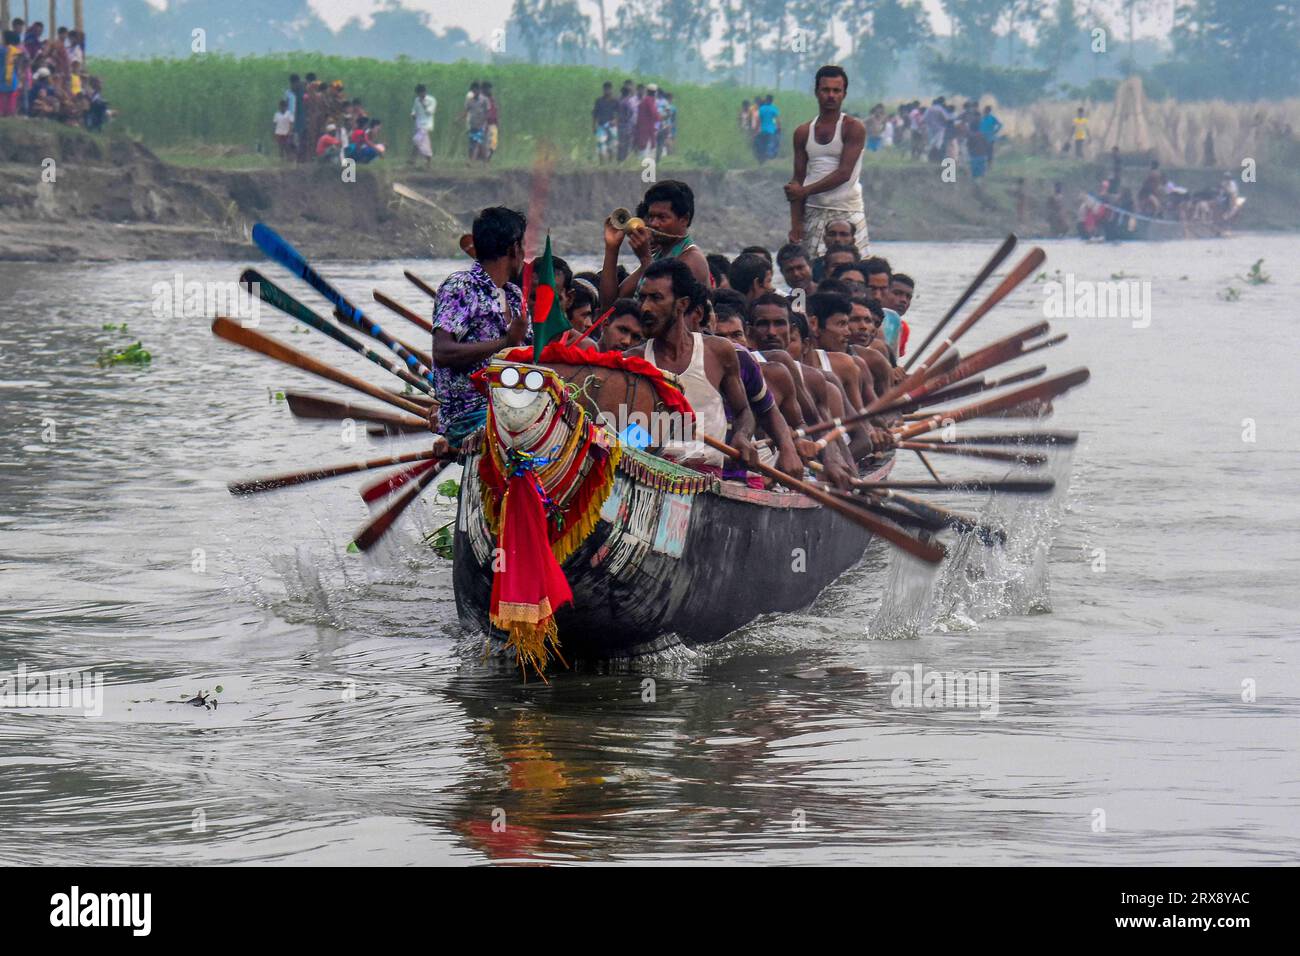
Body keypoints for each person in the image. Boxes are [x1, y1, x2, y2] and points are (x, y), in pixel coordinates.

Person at [627, 258, 756, 473]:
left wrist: (742, 435)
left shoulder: (718, 351)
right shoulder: (631, 362)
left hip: (707, 475)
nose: (645, 308)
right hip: (650, 473)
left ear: (682, 304)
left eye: (656, 298)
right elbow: (626, 430)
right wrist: (656, 449)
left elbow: (743, 411)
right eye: (642, 298)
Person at [430, 206, 530, 444]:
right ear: (514, 248)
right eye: (523, 246)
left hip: (512, 407)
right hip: (467, 416)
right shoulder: (460, 287)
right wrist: (506, 342)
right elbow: (442, 353)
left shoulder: (515, 295)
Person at [786, 66, 869, 260]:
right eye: (825, 90)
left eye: (836, 90)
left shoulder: (853, 128)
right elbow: (797, 180)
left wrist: (804, 191)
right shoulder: (803, 132)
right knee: (812, 268)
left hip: (847, 209)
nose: (831, 95)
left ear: (844, 94)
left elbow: (844, 173)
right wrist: (795, 225)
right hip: (814, 210)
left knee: (855, 270)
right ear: (817, 92)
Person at [600, 179, 711, 307]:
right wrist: (612, 248)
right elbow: (611, 305)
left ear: (684, 219)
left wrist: (645, 259)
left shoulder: (692, 259)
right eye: (651, 217)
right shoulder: (659, 254)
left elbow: (661, 309)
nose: (653, 224)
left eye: (662, 217)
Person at [410, 84, 436, 167]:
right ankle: (424, 161)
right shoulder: (416, 99)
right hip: (418, 124)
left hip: (427, 124)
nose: (420, 95)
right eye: (418, 93)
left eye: (421, 93)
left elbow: (430, 112)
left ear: (425, 92)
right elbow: (414, 110)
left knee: (417, 140)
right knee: (423, 142)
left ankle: (413, 159)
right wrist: (413, 114)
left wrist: (423, 103)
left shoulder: (431, 100)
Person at [593, 81, 618, 163]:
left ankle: (611, 163)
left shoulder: (615, 101)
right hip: (601, 126)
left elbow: (620, 114)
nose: (607, 91)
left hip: (612, 126)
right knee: (601, 146)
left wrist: (615, 120)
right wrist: (594, 125)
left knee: (612, 146)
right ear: (603, 90)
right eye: (605, 89)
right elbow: (595, 114)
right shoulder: (599, 101)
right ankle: (602, 164)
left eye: (608, 89)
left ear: (611, 90)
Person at [636, 82, 659, 159]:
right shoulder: (649, 101)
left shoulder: (645, 100)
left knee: (643, 146)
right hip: (647, 128)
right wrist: (661, 117)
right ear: (655, 93)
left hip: (643, 127)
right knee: (646, 148)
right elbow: (654, 114)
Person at [757, 94, 780, 163]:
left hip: (762, 130)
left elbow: (759, 120)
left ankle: (762, 159)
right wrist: (779, 127)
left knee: (763, 145)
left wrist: (758, 129)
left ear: (766, 100)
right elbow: (777, 120)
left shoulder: (761, 108)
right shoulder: (774, 109)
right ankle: (768, 160)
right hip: (771, 130)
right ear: (772, 100)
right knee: (770, 144)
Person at [617, 80, 636, 162]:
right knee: (626, 143)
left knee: (622, 142)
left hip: (621, 124)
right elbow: (631, 113)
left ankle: (620, 159)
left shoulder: (619, 100)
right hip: (627, 125)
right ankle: (623, 160)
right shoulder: (626, 102)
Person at [979, 104, 1003, 169]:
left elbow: (1000, 125)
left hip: (990, 138)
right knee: (983, 152)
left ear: (989, 111)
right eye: (985, 110)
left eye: (987, 110)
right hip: (982, 138)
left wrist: (995, 131)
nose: (986, 111)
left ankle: (989, 165)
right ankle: (984, 165)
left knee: (989, 152)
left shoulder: (992, 118)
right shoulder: (981, 118)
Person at [481, 81, 499, 161]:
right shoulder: (481, 99)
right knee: (484, 142)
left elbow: (495, 111)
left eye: (490, 89)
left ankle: (488, 158)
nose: (489, 90)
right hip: (485, 123)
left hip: (493, 123)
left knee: (494, 142)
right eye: (488, 89)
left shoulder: (492, 99)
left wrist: (497, 122)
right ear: (483, 89)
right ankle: (484, 159)